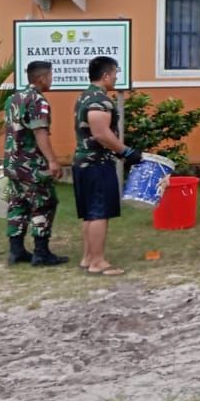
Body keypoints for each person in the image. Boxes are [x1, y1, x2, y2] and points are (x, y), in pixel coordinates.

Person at [73, 56, 141, 276]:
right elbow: (102, 133)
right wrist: (126, 152)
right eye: (114, 74)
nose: (115, 77)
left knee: (90, 213)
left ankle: (88, 257)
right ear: (105, 75)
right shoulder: (99, 100)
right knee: (99, 212)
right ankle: (98, 262)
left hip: (85, 162)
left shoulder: (84, 96)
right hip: (96, 164)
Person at [2, 60, 66, 266]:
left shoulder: (13, 98)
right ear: (41, 78)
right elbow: (40, 132)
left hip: (12, 162)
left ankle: (16, 250)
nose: (52, 79)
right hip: (32, 165)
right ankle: (41, 252)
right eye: (50, 76)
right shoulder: (39, 101)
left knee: (17, 203)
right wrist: (52, 161)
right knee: (44, 203)